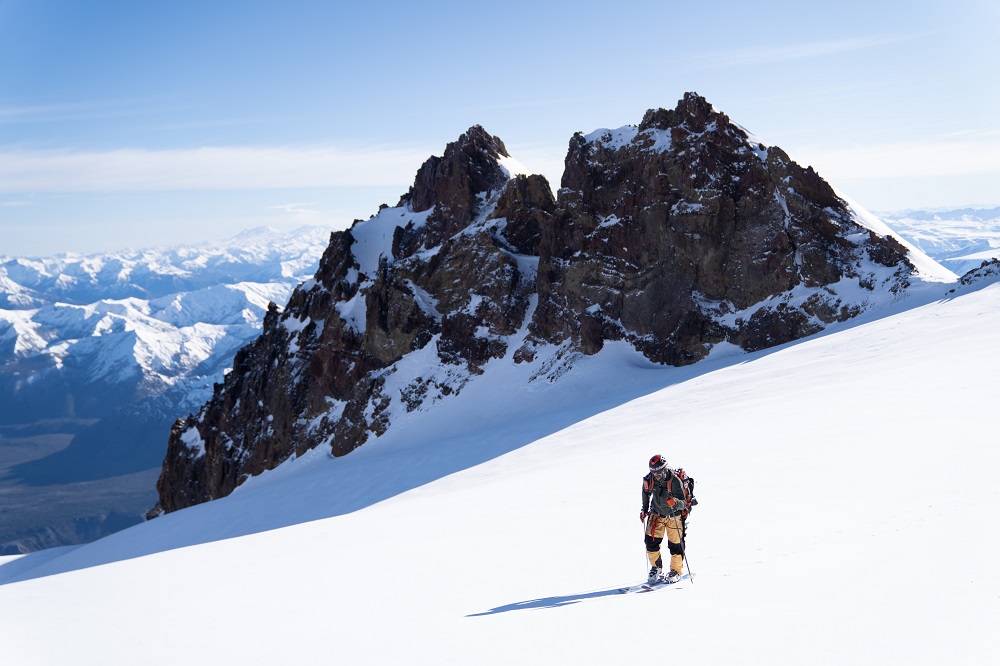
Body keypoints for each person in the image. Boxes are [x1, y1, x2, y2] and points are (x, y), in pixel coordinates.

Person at [640, 454, 689, 583]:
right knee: (650, 542)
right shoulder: (649, 480)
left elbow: (683, 503)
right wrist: (644, 510)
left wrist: (675, 502)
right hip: (656, 514)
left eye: (658, 472)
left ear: (664, 469)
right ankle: (656, 567)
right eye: (653, 472)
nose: (656, 475)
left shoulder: (674, 481)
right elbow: (646, 493)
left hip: (674, 515)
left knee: (676, 545)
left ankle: (676, 570)